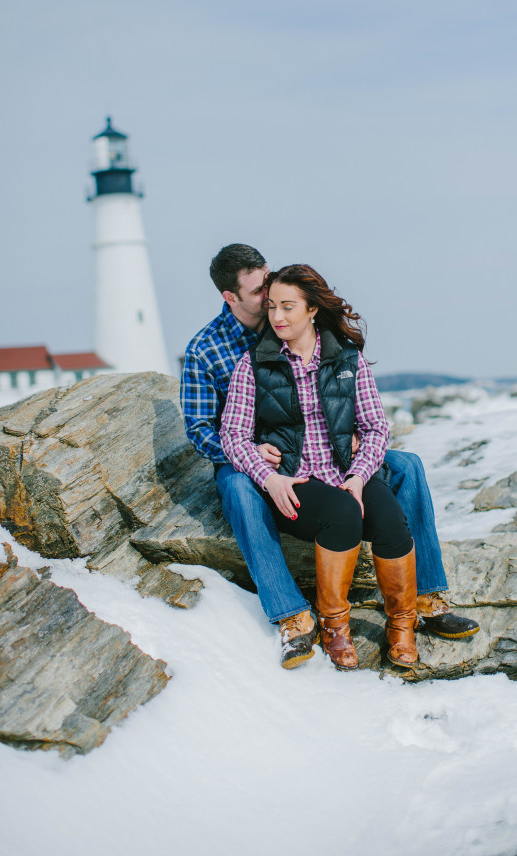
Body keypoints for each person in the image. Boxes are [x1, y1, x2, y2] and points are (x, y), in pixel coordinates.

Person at [180, 244, 477, 670]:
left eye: (276, 291)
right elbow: (202, 429)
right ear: (231, 298)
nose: (272, 304)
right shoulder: (209, 349)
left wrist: (349, 440)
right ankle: (291, 615)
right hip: (257, 454)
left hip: (325, 447)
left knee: (407, 466)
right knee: (237, 485)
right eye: (261, 294)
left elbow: (356, 407)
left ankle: (425, 599)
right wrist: (257, 458)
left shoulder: (310, 331)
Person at [221, 263, 417, 671]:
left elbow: (376, 427)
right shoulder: (253, 365)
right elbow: (233, 435)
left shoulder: (347, 360)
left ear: (312, 310)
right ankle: (334, 626)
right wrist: (270, 479)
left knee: (391, 517)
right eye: (272, 306)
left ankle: (401, 625)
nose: (277, 317)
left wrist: (360, 477)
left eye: (288, 307)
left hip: (346, 474)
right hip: (293, 482)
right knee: (342, 514)